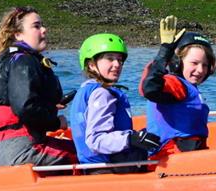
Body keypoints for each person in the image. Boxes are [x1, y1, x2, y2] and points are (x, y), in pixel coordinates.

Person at [0, 6, 76, 168]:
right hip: (19, 153)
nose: (44, 30)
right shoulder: (23, 61)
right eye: (36, 26)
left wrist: (48, 106)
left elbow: (11, 104)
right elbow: (25, 107)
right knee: (83, 154)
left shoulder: (0, 61)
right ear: (18, 34)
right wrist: (56, 123)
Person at [69, 33, 161, 173]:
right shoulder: (102, 93)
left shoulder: (85, 90)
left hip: (94, 168)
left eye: (119, 60)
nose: (117, 64)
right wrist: (131, 139)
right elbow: (96, 140)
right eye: (110, 59)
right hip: (106, 169)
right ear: (92, 64)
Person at [139, 16, 216, 156]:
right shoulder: (175, 84)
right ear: (177, 62)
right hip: (173, 157)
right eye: (194, 63)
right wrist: (165, 50)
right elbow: (150, 89)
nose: (200, 70)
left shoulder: (187, 86)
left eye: (204, 65)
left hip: (189, 153)